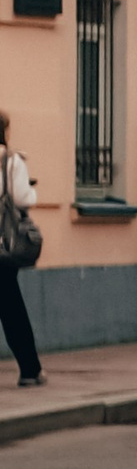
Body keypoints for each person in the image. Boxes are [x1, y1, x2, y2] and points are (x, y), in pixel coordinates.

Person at [0, 113, 42, 386]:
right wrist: (32, 191)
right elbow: (23, 197)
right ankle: (30, 369)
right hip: (3, 247)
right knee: (12, 308)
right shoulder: (10, 161)